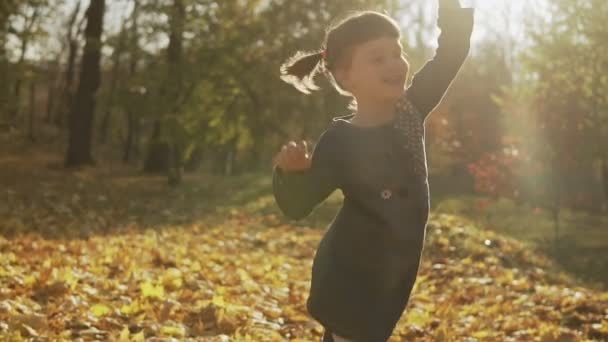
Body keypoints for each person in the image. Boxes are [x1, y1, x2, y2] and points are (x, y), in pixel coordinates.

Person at [272, 1, 474, 341]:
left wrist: (449, 7)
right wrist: (289, 173)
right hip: (350, 279)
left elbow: (451, 53)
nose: (394, 63)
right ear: (345, 76)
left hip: (392, 276)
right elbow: (297, 205)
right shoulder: (339, 142)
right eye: (377, 58)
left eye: (397, 53)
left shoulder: (410, 111)